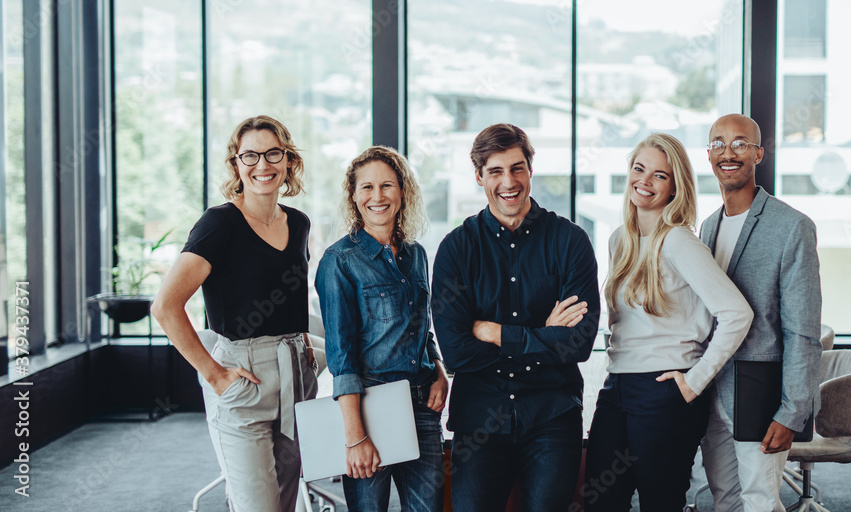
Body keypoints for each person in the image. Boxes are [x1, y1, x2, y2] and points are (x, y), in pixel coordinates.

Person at [151, 115, 318, 512]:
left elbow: (289, 297)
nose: (263, 165)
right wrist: (214, 374)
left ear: (288, 160)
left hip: (296, 374)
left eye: (273, 153)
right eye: (251, 155)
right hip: (244, 379)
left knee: (285, 502)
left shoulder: (298, 223)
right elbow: (165, 307)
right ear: (236, 164)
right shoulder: (219, 224)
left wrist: (303, 342)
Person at [431, 123, 600, 512]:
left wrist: (493, 332)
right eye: (495, 171)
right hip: (479, 423)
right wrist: (543, 336)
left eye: (517, 168)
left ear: (530, 170)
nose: (509, 181)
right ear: (479, 176)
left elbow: (580, 342)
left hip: (552, 417)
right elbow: (456, 353)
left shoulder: (569, 240)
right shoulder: (456, 249)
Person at [583, 133, 753, 511]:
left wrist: (694, 382)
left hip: (664, 389)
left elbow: (737, 314)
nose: (644, 181)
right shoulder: (619, 240)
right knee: (601, 499)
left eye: (659, 175)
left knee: (661, 502)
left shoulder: (678, 241)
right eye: (639, 169)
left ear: (675, 187)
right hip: (619, 386)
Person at [698, 113, 823, 512]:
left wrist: (793, 412)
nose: (728, 152)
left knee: (760, 502)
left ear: (758, 154)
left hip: (761, 393)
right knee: (724, 499)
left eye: (739, 143)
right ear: (709, 155)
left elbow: (803, 330)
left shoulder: (792, 226)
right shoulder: (707, 226)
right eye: (718, 143)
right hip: (713, 390)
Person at [315, 146, 448, 512]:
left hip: (422, 405)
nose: (378, 196)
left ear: (402, 191)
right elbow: (341, 355)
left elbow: (423, 327)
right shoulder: (339, 261)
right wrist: (355, 436)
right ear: (353, 196)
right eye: (367, 187)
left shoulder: (416, 254)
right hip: (370, 406)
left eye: (387, 185)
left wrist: (438, 370)